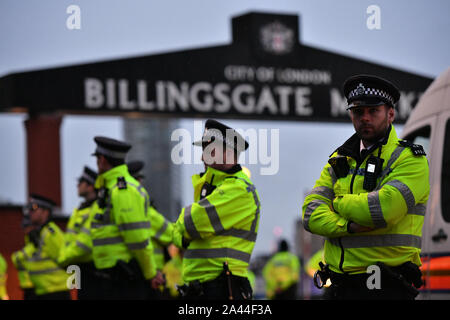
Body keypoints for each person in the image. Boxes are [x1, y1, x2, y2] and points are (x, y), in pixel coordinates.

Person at [302, 74, 430, 300]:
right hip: (340, 285)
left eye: (373, 111)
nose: (365, 118)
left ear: (390, 114)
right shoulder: (338, 159)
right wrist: (348, 226)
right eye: (358, 112)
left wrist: (337, 203)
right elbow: (310, 214)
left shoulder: (410, 158)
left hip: (387, 285)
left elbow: (383, 210)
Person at [173, 119, 261, 300]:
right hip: (206, 288)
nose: (202, 158)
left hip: (221, 288)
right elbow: (181, 231)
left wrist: (184, 222)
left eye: (208, 150)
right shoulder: (215, 188)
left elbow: (189, 223)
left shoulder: (239, 189)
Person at [90, 136, 164, 299]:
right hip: (114, 276)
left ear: (102, 160)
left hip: (125, 278)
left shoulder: (123, 190)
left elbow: (137, 238)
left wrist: (150, 272)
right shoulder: (110, 189)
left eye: (97, 159)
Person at [14, 194, 70, 300]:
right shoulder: (37, 234)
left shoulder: (51, 233)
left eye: (34, 208)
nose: (30, 212)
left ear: (46, 212)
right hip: (41, 291)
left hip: (56, 292)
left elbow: (66, 260)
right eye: (29, 208)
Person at [58, 166, 98, 300]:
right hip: (75, 267)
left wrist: (63, 259)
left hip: (92, 270)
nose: (77, 185)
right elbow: (68, 240)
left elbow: (84, 244)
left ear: (91, 186)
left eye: (81, 182)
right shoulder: (79, 210)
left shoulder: (96, 209)